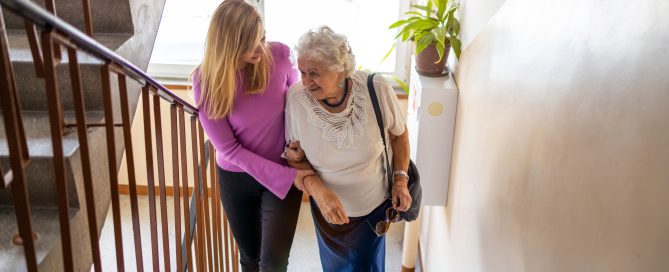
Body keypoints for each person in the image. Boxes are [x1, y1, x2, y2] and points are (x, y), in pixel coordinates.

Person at [192, 1, 314, 271]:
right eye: (252, 43)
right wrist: (288, 177)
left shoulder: (280, 56)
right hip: (237, 178)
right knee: (250, 258)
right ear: (230, 43)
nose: (261, 48)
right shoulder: (205, 81)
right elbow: (229, 149)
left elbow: (298, 107)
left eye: (263, 36)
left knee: (273, 263)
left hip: (283, 173)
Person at [282, 26, 412, 271]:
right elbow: (294, 156)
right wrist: (319, 192)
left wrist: (400, 181)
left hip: (374, 208)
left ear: (339, 69)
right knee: (336, 267)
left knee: (368, 265)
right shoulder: (295, 99)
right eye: (302, 72)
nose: (306, 82)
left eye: (314, 73)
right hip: (328, 213)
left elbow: (399, 135)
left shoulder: (376, 88)